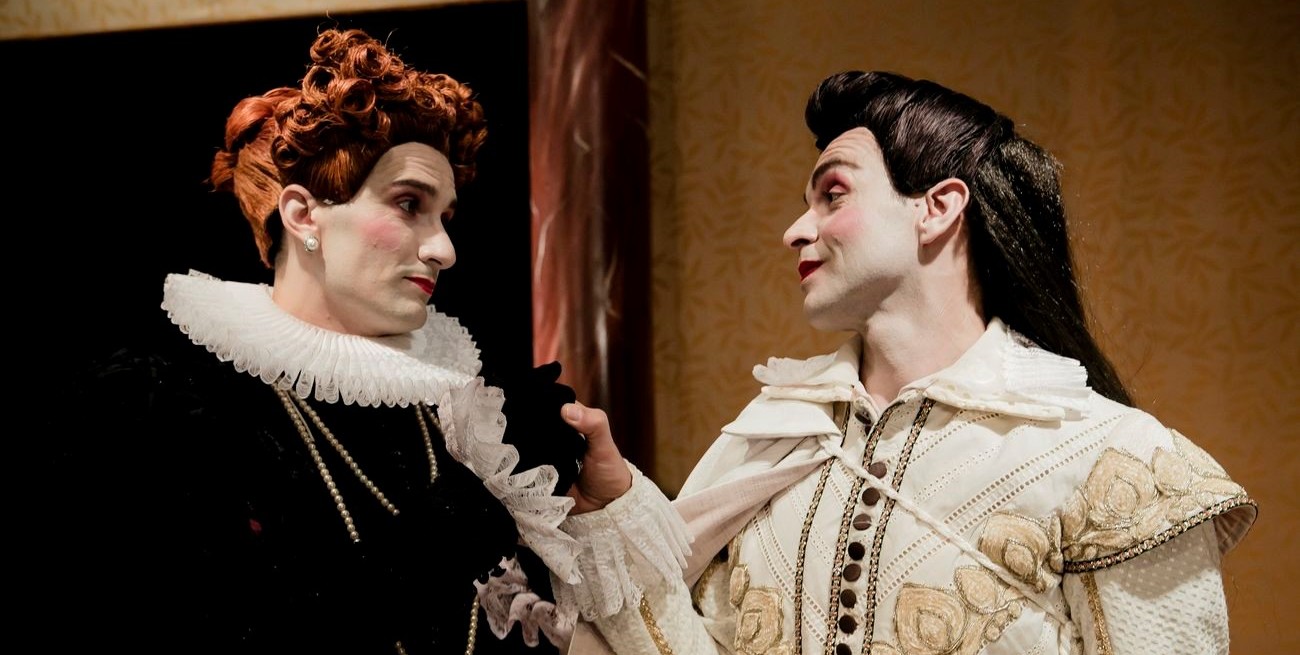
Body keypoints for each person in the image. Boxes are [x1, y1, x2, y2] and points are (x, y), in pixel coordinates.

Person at [552, 70, 1258, 654]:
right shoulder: (771, 442)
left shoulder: (1110, 461)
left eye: (833, 194)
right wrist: (615, 505)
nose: (795, 229)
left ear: (938, 207)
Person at [39, 27, 587, 654]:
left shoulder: (466, 415)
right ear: (303, 215)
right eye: (409, 204)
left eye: (445, 217)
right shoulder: (160, 408)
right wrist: (453, 522)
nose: (444, 249)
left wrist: (603, 503)